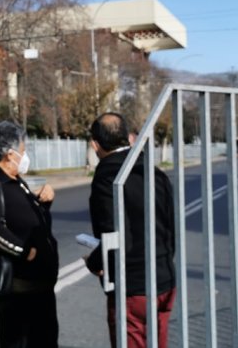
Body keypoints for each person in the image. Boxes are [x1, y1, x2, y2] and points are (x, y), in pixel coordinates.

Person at [85, 113, 175, 348]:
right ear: (128, 138)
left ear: (95, 144)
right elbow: (169, 227)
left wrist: (95, 262)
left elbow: (113, 234)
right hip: (164, 278)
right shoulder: (155, 173)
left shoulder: (108, 177)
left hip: (133, 286)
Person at [0, 121, 59, 348]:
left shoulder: (15, 180)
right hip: (11, 290)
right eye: (23, 150)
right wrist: (23, 251)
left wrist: (42, 205)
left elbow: (24, 219)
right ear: (10, 154)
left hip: (38, 287)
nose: (25, 155)